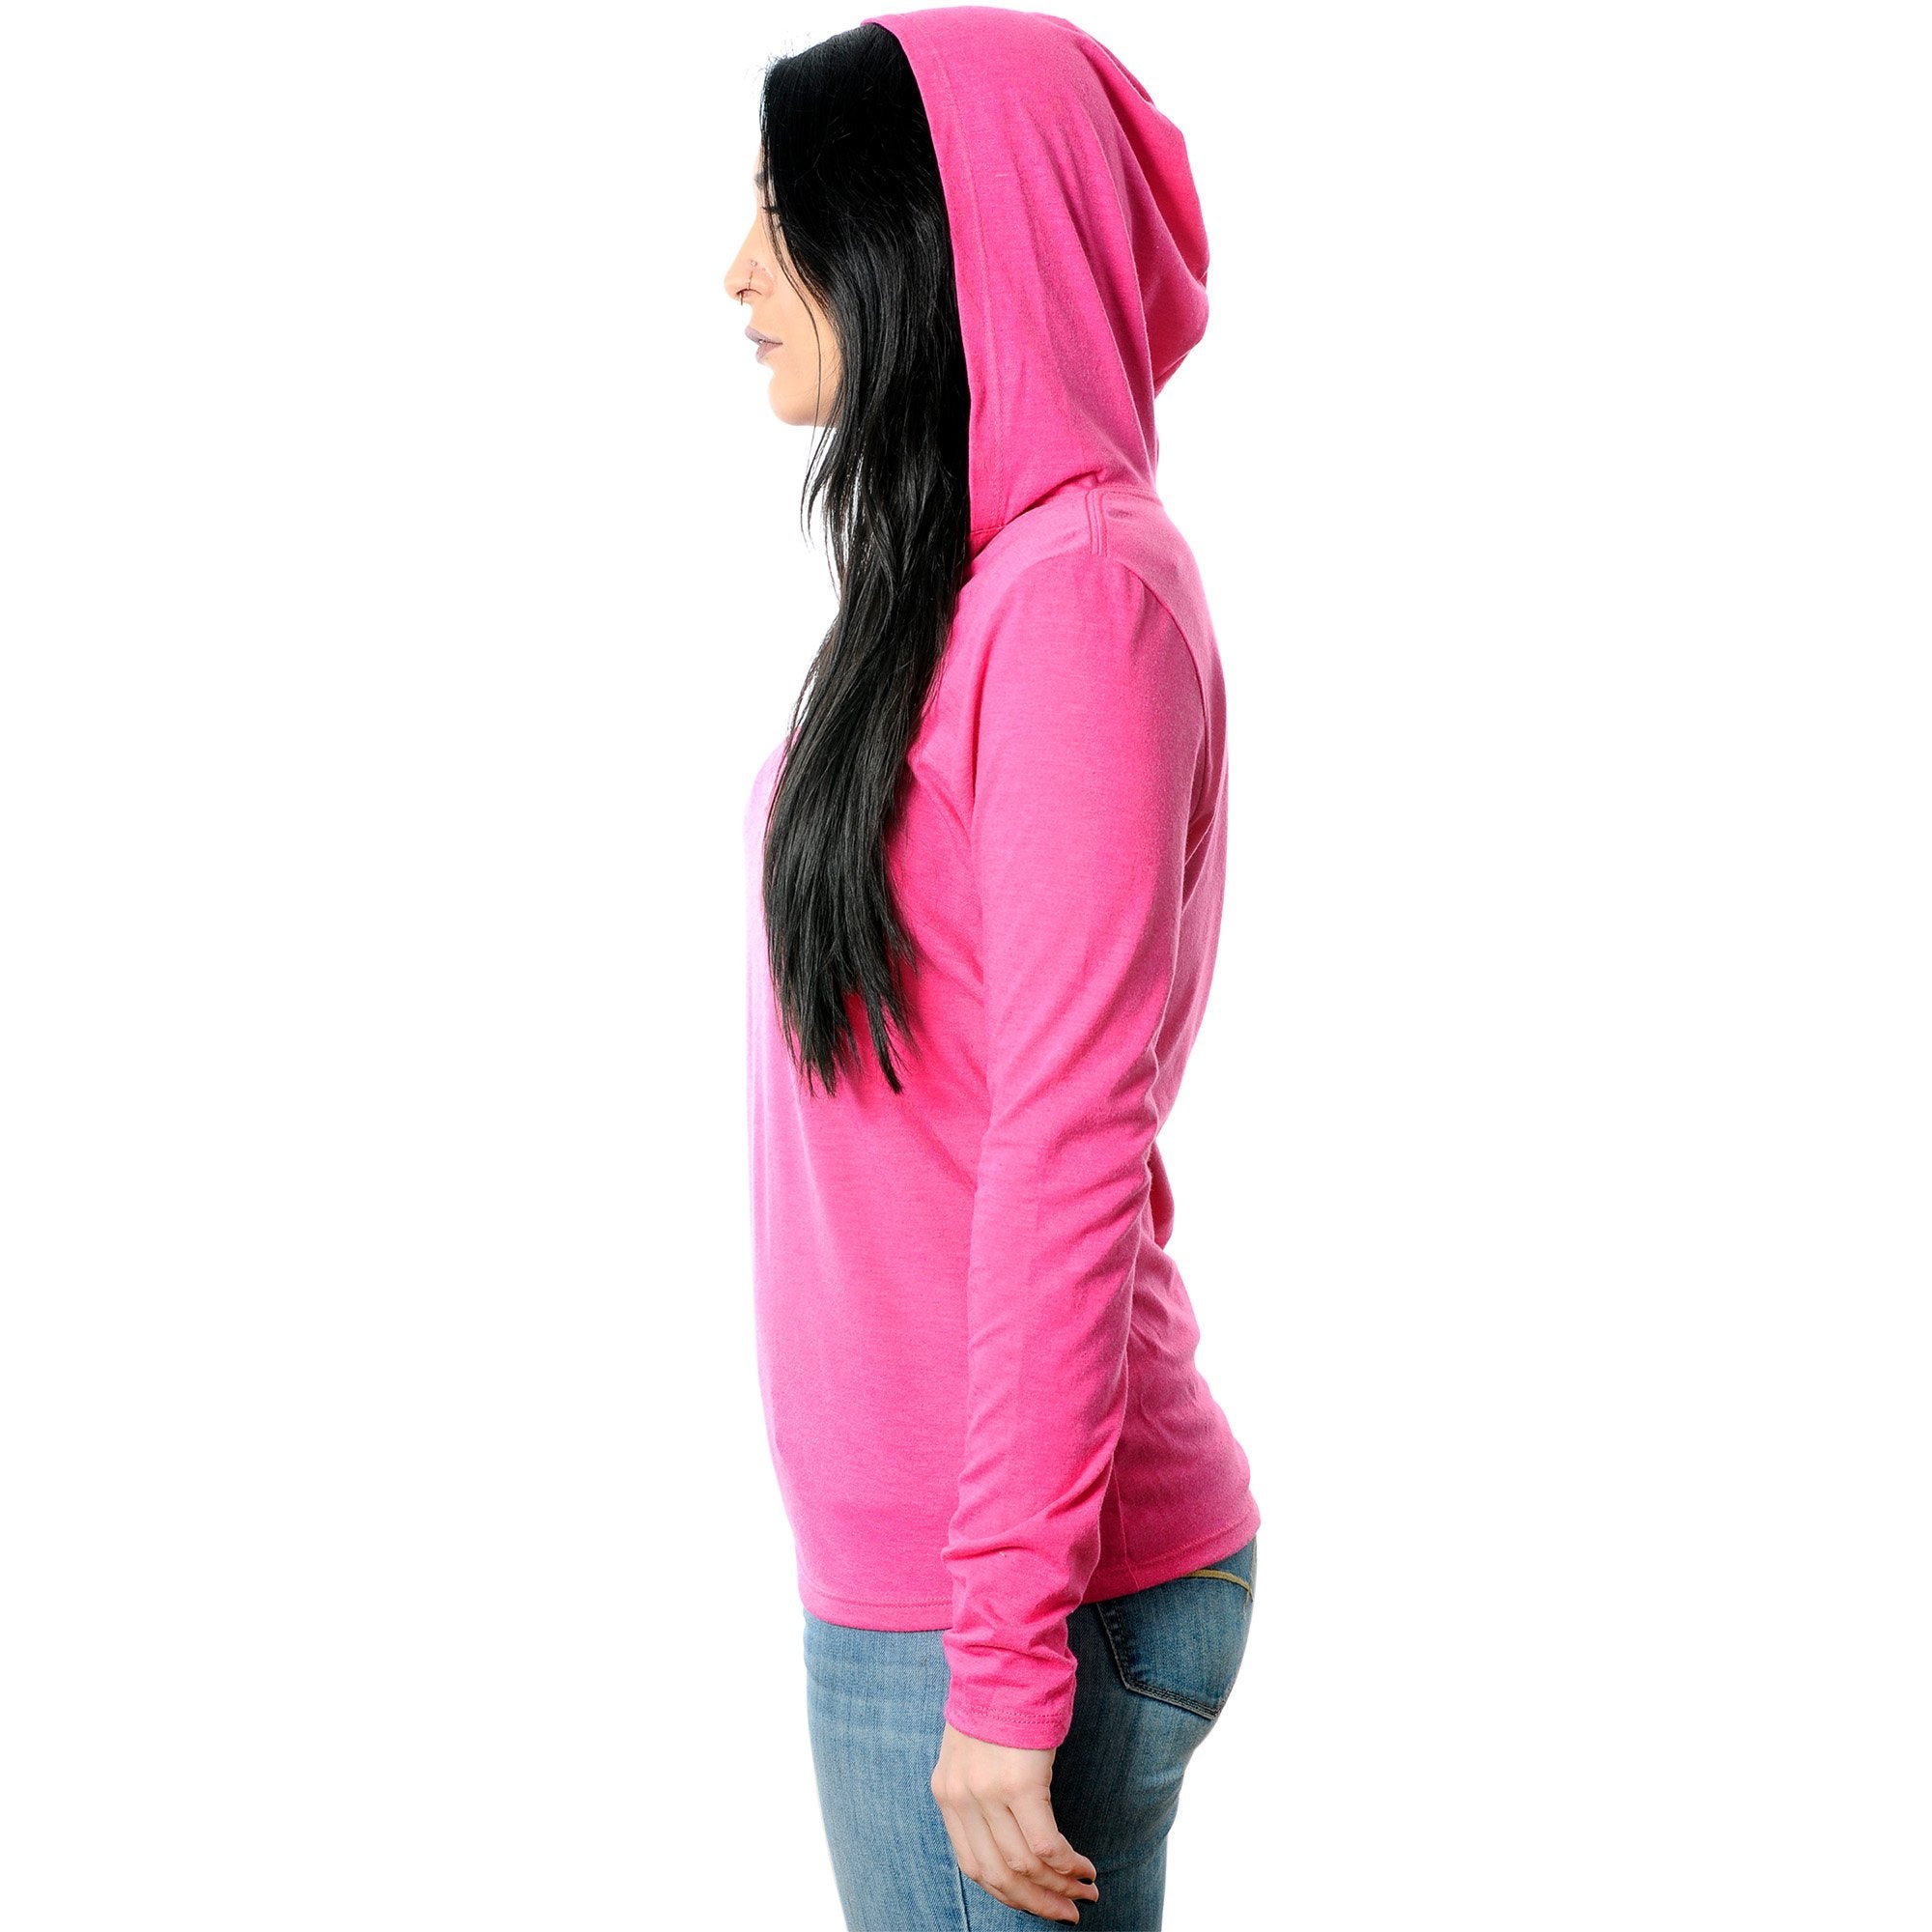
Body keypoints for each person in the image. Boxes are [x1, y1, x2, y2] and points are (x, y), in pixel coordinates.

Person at [724, 11, 1262, 1926]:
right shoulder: (961, 596)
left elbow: (1066, 1138)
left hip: (1011, 1601)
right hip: (937, 1579)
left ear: (926, 241)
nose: (736, 271)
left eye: (784, 213)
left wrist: (1008, 1656)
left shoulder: (1077, 600)